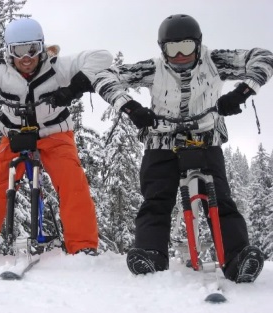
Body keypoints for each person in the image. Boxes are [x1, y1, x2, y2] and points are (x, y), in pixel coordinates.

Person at [95, 14, 273, 282]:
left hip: (205, 139)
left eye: (187, 47)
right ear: (162, 49)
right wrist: (130, 108)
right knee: (156, 199)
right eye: (172, 49)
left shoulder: (215, 61)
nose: (179, 56)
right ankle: (150, 255)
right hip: (161, 141)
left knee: (220, 200)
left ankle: (238, 259)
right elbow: (105, 77)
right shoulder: (153, 69)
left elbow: (264, 57)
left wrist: (242, 92)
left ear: (199, 45)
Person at [0, 18, 113, 256]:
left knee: (72, 183)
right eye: (18, 51)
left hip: (55, 135)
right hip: (14, 137)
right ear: (9, 51)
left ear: (41, 47)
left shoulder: (57, 68)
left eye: (32, 49)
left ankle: (82, 246)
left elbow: (103, 56)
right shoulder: (1, 71)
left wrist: (72, 89)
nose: (26, 57)